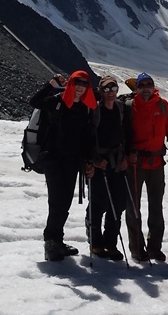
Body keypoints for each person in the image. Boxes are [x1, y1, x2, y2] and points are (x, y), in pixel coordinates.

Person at [29, 70, 97, 262]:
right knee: (56, 202)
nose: (81, 87)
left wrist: (88, 159)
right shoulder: (56, 102)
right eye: (77, 82)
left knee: (64, 202)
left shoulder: (84, 108)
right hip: (54, 160)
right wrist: (51, 85)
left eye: (84, 84)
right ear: (71, 84)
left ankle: (56, 241)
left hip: (72, 162)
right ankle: (50, 242)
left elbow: (85, 137)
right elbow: (35, 102)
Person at [125, 72, 168, 262]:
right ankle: (137, 248)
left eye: (149, 84)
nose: (146, 88)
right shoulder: (130, 107)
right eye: (142, 85)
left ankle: (154, 247)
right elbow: (123, 134)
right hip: (135, 164)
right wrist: (127, 153)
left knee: (155, 207)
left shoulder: (162, 105)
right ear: (137, 88)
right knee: (134, 207)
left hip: (157, 163)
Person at [86, 75, 132, 260]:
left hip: (117, 161)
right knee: (99, 203)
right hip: (99, 162)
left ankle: (110, 243)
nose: (110, 92)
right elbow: (87, 136)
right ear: (100, 91)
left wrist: (126, 156)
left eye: (113, 89)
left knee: (118, 203)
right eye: (106, 89)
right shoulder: (94, 110)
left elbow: (127, 134)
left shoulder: (121, 108)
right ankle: (96, 241)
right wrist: (93, 160)